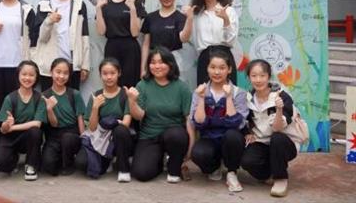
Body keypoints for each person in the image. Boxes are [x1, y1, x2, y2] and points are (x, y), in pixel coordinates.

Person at [126, 47, 193, 183]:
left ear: (170, 64)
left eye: (161, 62)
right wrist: (132, 101)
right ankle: (159, 161)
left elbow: (189, 120)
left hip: (173, 135)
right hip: (149, 136)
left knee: (176, 135)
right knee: (141, 173)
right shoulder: (142, 85)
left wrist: (190, 148)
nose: (157, 66)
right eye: (153, 62)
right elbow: (139, 116)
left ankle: (174, 167)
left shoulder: (182, 87)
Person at [189, 48, 248, 192]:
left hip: (230, 140)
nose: (217, 72)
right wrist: (201, 98)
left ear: (229, 69)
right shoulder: (200, 91)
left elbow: (236, 123)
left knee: (233, 136)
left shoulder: (239, 93)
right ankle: (214, 167)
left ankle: (232, 172)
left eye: (222, 68)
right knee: (199, 154)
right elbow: (199, 122)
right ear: (207, 69)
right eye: (213, 67)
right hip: (210, 139)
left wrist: (228, 97)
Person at [241, 59, 302, 197]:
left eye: (262, 75)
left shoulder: (282, 96)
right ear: (249, 77)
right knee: (247, 161)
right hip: (262, 141)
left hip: (285, 142)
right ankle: (269, 174)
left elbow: (278, 128)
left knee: (277, 138)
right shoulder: (248, 98)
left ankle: (281, 178)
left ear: (269, 76)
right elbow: (244, 120)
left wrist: (279, 109)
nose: (258, 80)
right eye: (254, 76)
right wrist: (247, 132)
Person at [33, 0, 90, 90]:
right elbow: (41, 38)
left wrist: (85, 65)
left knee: (72, 99)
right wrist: (49, 21)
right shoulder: (44, 4)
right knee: (48, 99)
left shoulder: (79, 4)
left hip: (72, 65)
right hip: (49, 66)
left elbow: (84, 35)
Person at [75, 58, 134, 182]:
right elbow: (92, 128)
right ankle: (107, 160)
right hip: (100, 140)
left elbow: (126, 123)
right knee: (82, 163)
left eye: (112, 73)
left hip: (119, 139)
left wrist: (114, 123)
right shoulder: (96, 95)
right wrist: (95, 108)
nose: (109, 77)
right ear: (100, 75)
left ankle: (123, 169)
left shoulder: (124, 94)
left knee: (120, 130)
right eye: (105, 73)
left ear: (119, 73)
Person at [0, 60, 46, 181]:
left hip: (29, 136)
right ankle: (13, 159)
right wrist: (6, 125)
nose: (27, 78)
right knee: (1, 163)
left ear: (36, 77)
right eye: (24, 74)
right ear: (18, 75)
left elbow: (37, 123)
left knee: (35, 132)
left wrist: (13, 127)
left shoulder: (39, 98)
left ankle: (31, 165)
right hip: (11, 137)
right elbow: (3, 130)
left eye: (31, 75)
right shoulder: (10, 98)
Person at [96, 0, 146, 87]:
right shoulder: (106, 3)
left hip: (130, 48)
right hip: (111, 47)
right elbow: (101, 31)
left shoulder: (134, 2)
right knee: (112, 83)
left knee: (130, 84)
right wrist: (98, 8)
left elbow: (135, 33)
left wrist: (132, 9)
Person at [190, 0, 239, 85]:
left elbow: (231, 41)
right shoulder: (197, 14)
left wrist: (225, 19)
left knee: (227, 93)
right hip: (204, 59)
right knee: (204, 93)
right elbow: (194, 41)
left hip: (224, 57)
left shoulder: (228, 11)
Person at [41, 58, 86, 176]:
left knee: (67, 139)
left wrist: (83, 138)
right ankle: (60, 158)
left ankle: (69, 164)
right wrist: (49, 109)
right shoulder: (44, 96)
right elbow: (54, 124)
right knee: (49, 165)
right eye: (58, 72)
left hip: (71, 134)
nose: (61, 76)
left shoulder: (74, 94)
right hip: (54, 135)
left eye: (65, 73)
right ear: (51, 72)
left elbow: (80, 117)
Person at [140, 0, 194, 74]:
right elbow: (146, 45)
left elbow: (184, 38)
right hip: (154, 63)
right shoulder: (150, 17)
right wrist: (143, 68)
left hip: (173, 62)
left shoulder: (180, 17)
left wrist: (190, 18)